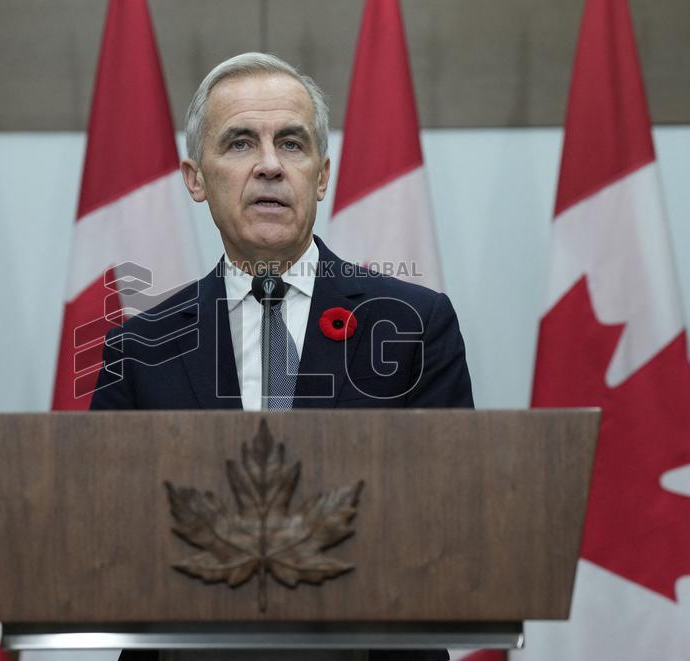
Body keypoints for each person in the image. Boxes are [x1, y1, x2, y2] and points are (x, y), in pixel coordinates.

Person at [92, 52, 471, 661]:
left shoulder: (414, 326)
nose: (269, 166)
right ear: (195, 178)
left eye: (291, 144)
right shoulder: (138, 348)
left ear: (321, 176)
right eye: (240, 143)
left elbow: (451, 516)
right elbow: (105, 535)